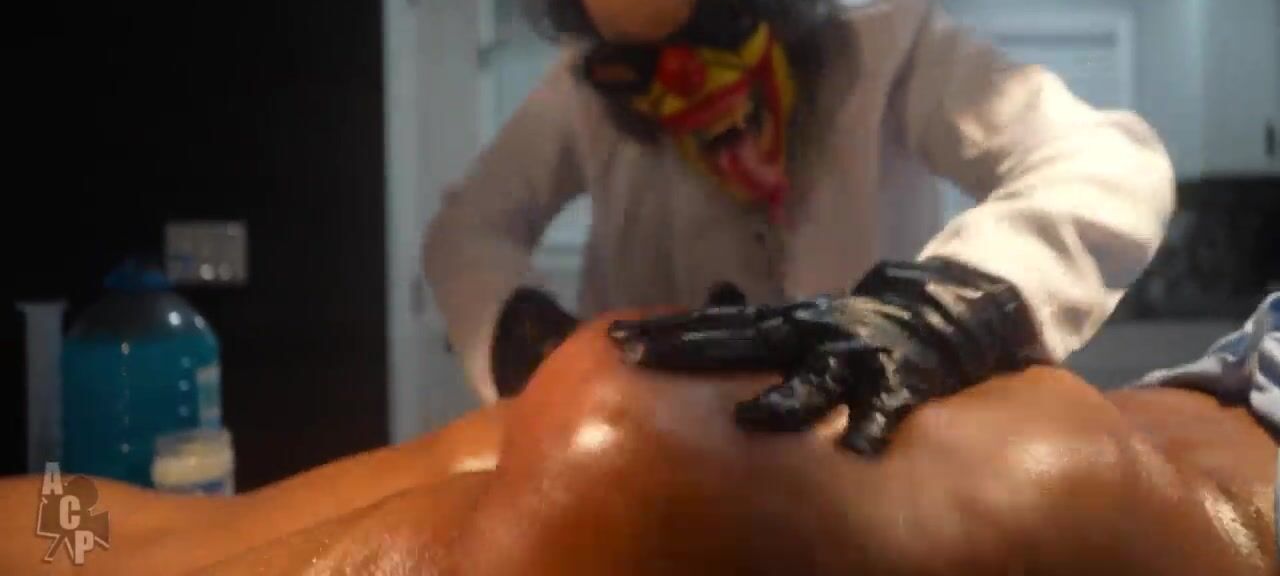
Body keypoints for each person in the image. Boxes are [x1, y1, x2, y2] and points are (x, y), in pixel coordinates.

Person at [422, 0, 1176, 452]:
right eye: (641, 64)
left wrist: (943, 314)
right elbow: (468, 230)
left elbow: (1105, 163)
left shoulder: (889, 53)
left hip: (880, 455)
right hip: (655, 461)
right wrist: (530, 344)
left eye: (714, 30)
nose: (685, 81)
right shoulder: (587, 94)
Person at [2, 308, 1273, 575]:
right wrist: (503, 316)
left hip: (1198, 480)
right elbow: (481, 218)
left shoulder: (893, 45)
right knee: (565, 428)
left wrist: (967, 295)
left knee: (630, 459)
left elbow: (1087, 161)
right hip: (1151, 407)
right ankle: (63, 526)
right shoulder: (601, 85)